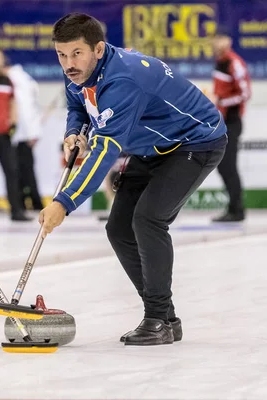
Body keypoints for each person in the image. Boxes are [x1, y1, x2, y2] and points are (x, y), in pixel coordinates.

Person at [39, 13, 227, 346]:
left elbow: (104, 152)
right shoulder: (79, 71)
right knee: (118, 228)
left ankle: (157, 319)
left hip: (195, 142)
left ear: (98, 49)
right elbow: (77, 103)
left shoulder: (123, 79)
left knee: (148, 220)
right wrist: (74, 132)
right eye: (61, 55)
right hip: (150, 147)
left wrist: (64, 202)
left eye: (76, 54)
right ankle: (166, 317)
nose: (68, 63)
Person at [0, 46, 31, 222]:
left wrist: (13, 121)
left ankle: (16, 211)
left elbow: (13, 102)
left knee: (12, 172)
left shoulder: (8, 81)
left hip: (4, 135)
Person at [209, 26, 251, 222]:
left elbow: (245, 94)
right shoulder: (220, 63)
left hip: (232, 121)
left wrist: (221, 102)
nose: (218, 43)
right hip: (223, 121)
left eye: (221, 39)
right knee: (224, 166)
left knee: (228, 166)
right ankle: (234, 208)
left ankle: (237, 210)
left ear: (228, 42)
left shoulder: (234, 63)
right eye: (215, 39)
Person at [5, 61, 44, 211]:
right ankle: (31, 202)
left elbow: (26, 109)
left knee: (22, 171)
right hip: (24, 133)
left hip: (21, 134)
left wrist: (31, 133)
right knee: (23, 170)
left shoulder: (16, 79)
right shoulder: (25, 78)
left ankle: (31, 203)